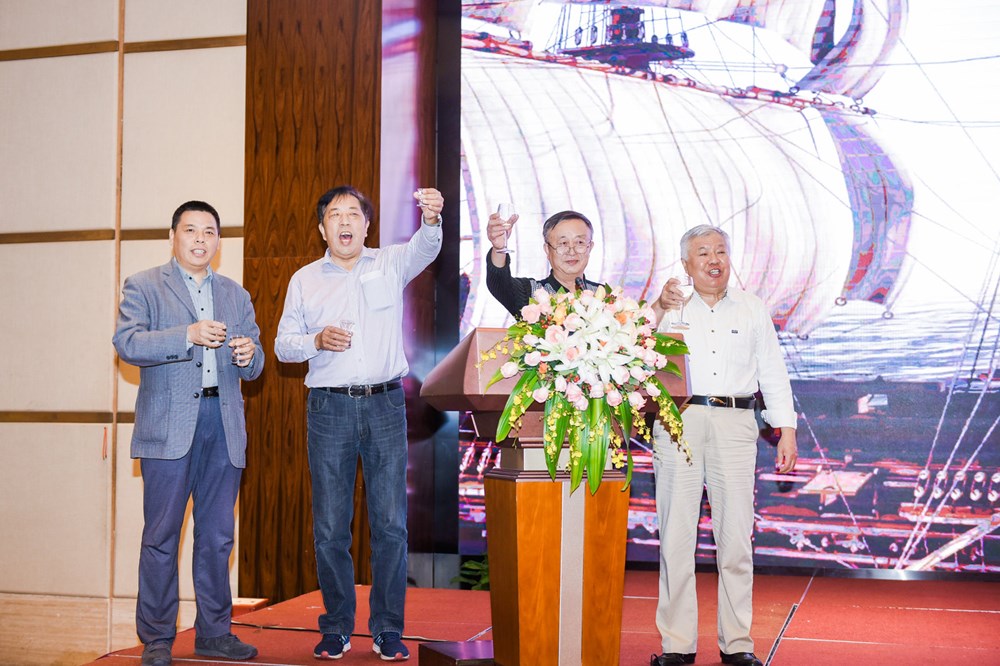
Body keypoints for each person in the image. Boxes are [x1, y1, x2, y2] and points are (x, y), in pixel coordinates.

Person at [274, 185, 443, 662]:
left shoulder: (390, 263)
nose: (344, 221)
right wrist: (315, 340)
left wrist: (431, 219)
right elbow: (283, 345)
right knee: (331, 526)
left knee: (390, 525)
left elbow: (426, 248)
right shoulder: (305, 279)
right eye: (335, 214)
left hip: (385, 405)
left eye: (353, 213)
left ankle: (388, 628)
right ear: (321, 228)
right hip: (328, 409)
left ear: (367, 225)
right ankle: (336, 627)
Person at [113, 201, 264, 666]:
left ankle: (214, 633)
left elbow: (256, 364)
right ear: (173, 236)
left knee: (217, 537)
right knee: (161, 537)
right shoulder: (143, 285)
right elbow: (127, 343)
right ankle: (157, 638)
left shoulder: (236, 294)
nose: (200, 239)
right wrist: (188, 335)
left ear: (218, 241)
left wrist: (248, 355)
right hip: (168, 427)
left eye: (209, 232)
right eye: (191, 230)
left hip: (224, 424)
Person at [649, 225, 797, 666]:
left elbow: (772, 370)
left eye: (720, 252)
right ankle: (677, 645)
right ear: (686, 264)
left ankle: (737, 644)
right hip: (678, 420)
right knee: (676, 536)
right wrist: (657, 307)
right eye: (703, 253)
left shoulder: (752, 308)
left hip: (736, 423)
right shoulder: (670, 307)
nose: (714, 260)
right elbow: (631, 345)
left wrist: (786, 428)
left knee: (735, 539)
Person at [485, 208, 603, 317]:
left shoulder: (603, 296)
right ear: (547, 250)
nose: (571, 251)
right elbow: (500, 283)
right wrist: (499, 248)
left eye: (580, 242)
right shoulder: (532, 293)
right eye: (563, 243)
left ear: (590, 247)